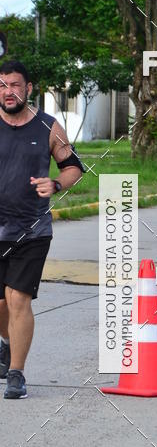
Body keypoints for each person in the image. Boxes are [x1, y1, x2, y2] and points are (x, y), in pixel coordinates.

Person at [0, 60, 84, 399]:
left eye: (15, 85)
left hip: (31, 231)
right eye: (2, 85)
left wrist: (55, 183)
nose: (8, 92)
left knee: (17, 298)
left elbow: (74, 167)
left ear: (29, 88)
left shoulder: (49, 127)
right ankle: (7, 342)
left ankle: (16, 373)